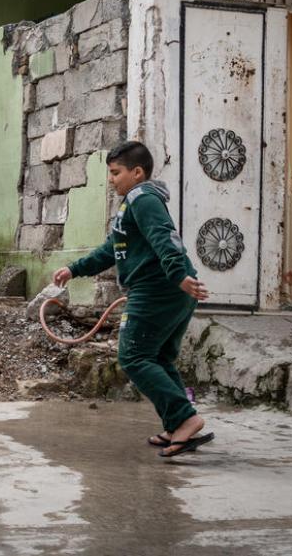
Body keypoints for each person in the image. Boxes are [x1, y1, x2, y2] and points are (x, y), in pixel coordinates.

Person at [53, 141, 212, 458]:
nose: (111, 179)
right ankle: (175, 425)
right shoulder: (131, 205)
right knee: (160, 359)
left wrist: (178, 274)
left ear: (137, 173)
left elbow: (164, 235)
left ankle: (186, 419)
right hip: (168, 290)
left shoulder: (143, 199)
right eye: (110, 173)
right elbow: (111, 250)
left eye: (116, 173)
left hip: (158, 289)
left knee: (134, 356)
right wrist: (74, 269)